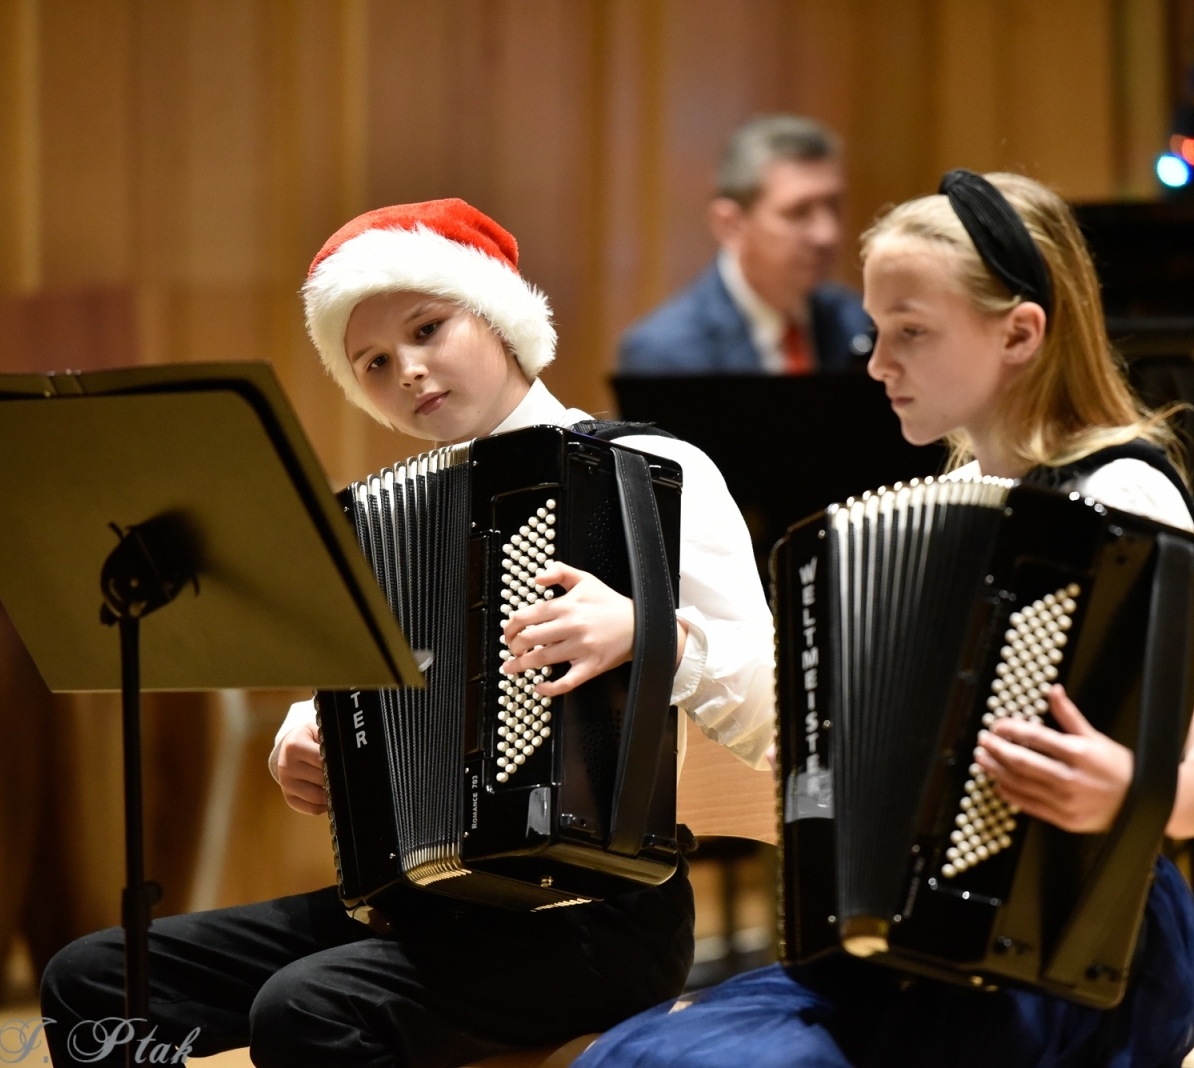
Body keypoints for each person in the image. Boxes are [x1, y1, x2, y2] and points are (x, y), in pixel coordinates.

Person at [39, 198, 776, 1068]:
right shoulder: (384, 515)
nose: (411, 372)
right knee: (93, 981)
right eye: (376, 362)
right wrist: (308, 733)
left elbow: (778, 715)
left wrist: (649, 634)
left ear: (500, 318)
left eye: (430, 329)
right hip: (421, 905)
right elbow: (371, 704)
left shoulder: (653, 472)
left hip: (596, 920)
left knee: (308, 1010)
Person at [573, 171, 1194, 1068]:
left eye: (911, 333)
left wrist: (1122, 790)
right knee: (634, 1059)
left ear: (1020, 333)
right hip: (923, 937)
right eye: (876, 330)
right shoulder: (956, 504)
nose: (876, 363)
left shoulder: (1120, 496)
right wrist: (827, 768)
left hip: (1075, 948)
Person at [617, 114, 872, 375]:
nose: (827, 234)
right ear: (730, 224)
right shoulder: (665, 353)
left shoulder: (861, 323)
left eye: (833, 206)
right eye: (798, 212)